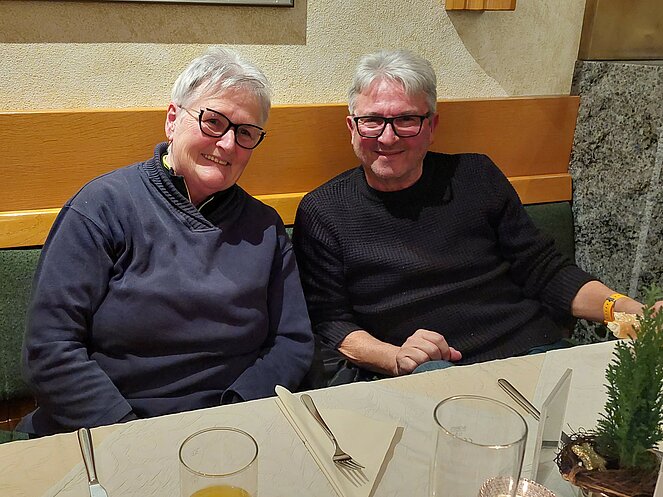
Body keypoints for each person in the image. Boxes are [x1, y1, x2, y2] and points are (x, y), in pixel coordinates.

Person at [292, 49, 662, 386]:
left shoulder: (476, 176)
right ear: (352, 128)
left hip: (533, 349)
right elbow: (331, 322)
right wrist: (396, 358)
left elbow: (544, 270)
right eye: (372, 121)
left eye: (406, 120)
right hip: (432, 372)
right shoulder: (324, 211)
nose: (388, 138)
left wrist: (628, 310)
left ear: (432, 127)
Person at [19, 47, 313, 436]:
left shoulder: (264, 227)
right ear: (172, 120)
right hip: (110, 426)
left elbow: (292, 341)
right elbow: (49, 348)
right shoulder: (102, 207)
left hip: (234, 427)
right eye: (213, 121)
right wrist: (129, 434)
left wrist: (236, 418)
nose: (228, 144)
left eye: (245, 132)